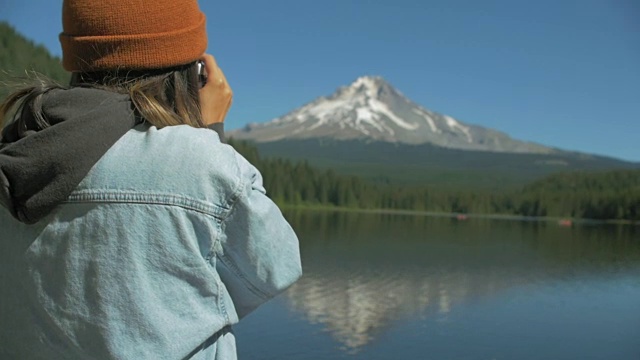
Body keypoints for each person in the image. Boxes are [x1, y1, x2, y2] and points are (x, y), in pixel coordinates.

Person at [0, 0, 302, 358]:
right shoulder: (203, 166)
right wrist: (209, 134)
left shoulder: (15, 152)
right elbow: (276, 267)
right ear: (192, 72)